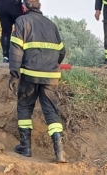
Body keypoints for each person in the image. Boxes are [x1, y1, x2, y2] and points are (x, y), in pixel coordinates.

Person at [8, 0, 67, 163]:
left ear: (24, 7)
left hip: (29, 75)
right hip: (51, 76)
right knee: (51, 111)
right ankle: (60, 151)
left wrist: (14, 74)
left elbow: (15, 51)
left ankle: (25, 147)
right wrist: (50, 64)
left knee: (25, 107)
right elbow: (62, 52)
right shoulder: (51, 25)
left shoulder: (21, 21)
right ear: (39, 6)